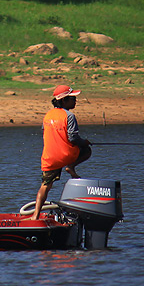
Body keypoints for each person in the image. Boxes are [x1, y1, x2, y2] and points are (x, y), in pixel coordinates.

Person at [31, 84, 92, 219]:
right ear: (64, 100)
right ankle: (70, 167)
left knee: (45, 186)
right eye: (72, 98)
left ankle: (35, 215)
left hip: (49, 158)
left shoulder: (48, 115)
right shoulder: (69, 116)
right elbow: (73, 137)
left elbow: (45, 132)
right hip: (66, 155)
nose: (75, 101)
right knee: (87, 150)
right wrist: (84, 142)